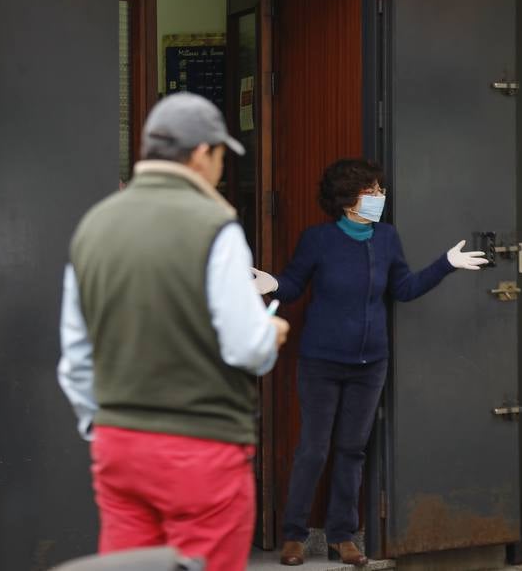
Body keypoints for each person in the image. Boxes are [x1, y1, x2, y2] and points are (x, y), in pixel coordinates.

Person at [58, 92, 289, 571]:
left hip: (118, 445)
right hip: (200, 445)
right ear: (203, 153)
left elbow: (76, 355)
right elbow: (246, 345)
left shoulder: (93, 226)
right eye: (222, 155)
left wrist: (99, 423)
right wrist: (272, 335)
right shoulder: (215, 226)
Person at [253, 158, 487, 567]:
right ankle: (294, 536)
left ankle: (343, 537)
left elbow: (405, 288)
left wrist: (446, 265)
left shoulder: (386, 238)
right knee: (313, 449)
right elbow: (292, 285)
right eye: (372, 191)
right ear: (347, 200)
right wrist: (271, 283)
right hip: (321, 362)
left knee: (351, 450)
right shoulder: (317, 240)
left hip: (369, 364)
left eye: (380, 190)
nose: (381, 197)